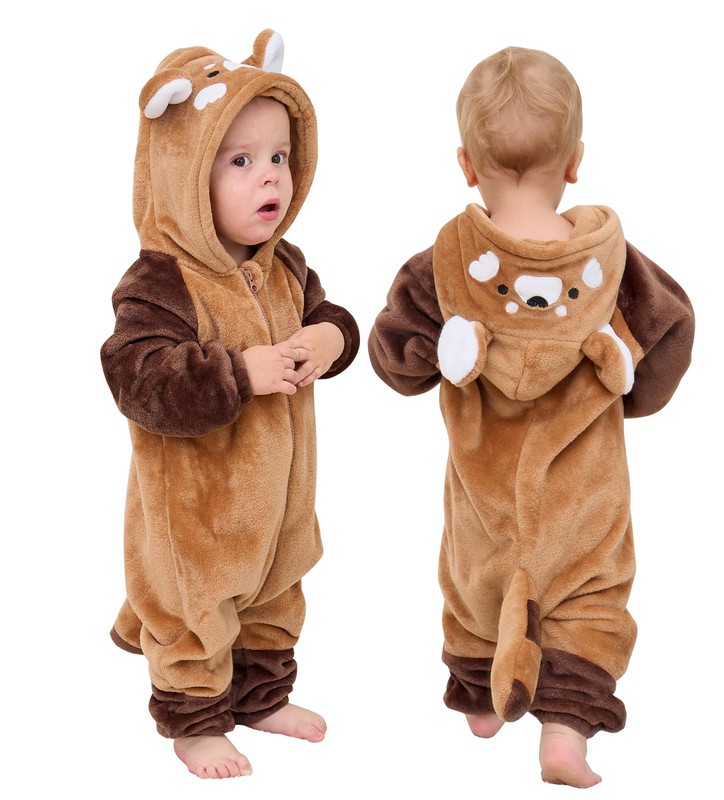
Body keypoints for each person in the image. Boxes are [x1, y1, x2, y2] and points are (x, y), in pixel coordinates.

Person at [368, 47, 694, 788]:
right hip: (583, 497)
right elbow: (669, 342)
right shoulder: (611, 262)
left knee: (475, 589)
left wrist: (442, 351)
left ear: (465, 165)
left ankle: (481, 700)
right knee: (588, 604)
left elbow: (394, 359)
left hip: (484, 497)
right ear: (575, 162)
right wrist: (629, 389)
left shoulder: (445, 264)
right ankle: (565, 735)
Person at [101, 29, 359, 780]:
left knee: (277, 599)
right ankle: (195, 721)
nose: (269, 176)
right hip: (197, 518)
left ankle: (262, 696)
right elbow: (137, 378)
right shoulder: (162, 281)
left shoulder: (286, 267)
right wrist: (238, 373)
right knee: (194, 611)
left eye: (279, 157)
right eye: (240, 161)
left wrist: (330, 337)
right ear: (185, 173)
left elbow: (329, 317)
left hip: (281, 507)